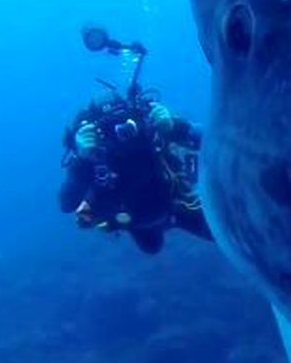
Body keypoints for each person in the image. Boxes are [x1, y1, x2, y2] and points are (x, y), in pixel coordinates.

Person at [59, 27, 212, 255]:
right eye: (108, 128)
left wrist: (172, 125)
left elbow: (207, 138)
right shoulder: (94, 153)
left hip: (176, 205)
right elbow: (66, 203)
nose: (120, 131)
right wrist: (81, 159)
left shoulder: (145, 121)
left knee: (217, 233)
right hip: (133, 220)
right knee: (152, 247)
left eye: (124, 122)